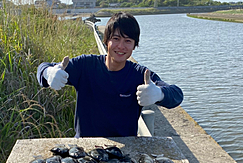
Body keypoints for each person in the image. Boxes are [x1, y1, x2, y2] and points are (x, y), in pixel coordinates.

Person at [37, 12, 183, 138]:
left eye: (128, 41)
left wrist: (159, 94)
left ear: (134, 45)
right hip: (87, 148)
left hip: (125, 150)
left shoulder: (140, 74)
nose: (121, 46)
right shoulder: (85, 65)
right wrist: (48, 73)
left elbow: (176, 95)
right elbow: (43, 68)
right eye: (116, 39)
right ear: (106, 40)